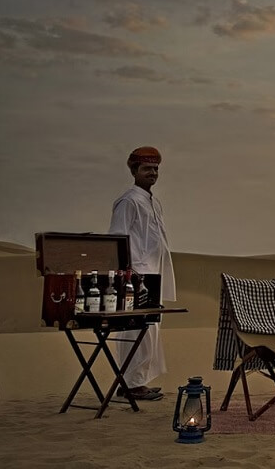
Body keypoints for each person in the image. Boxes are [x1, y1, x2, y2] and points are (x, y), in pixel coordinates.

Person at [108, 146, 178, 401]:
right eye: (147, 169)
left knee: (150, 330)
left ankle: (139, 380)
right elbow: (118, 237)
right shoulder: (129, 201)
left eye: (156, 169)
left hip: (154, 273)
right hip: (137, 275)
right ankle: (130, 384)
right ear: (135, 171)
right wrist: (128, 273)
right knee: (134, 330)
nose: (153, 173)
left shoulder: (152, 201)